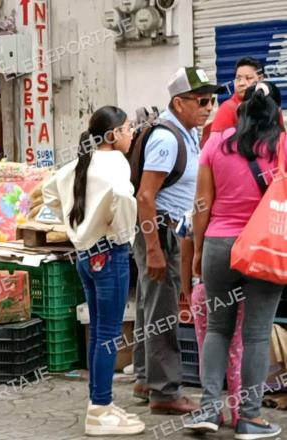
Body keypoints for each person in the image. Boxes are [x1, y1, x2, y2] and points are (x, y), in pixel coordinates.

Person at [184, 81, 285, 439]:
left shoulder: (215, 142)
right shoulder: (282, 146)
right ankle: (250, 418)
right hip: (264, 247)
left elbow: (201, 205)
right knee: (257, 335)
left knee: (217, 328)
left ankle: (209, 410)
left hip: (219, 245)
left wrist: (197, 250)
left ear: (239, 110)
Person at [42, 106, 144, 436]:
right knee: (107, 334)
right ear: (113, 136)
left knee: (101, 331)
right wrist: (121, 233)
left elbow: (48, 193)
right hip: (109, 253)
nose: (133, 133)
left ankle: (99, 403)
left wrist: (77, 226)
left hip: (86, 255)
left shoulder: (78, 164)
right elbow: (124, 201)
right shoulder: (115, 167)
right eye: (129, 128)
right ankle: (100, 410)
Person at [132, 67, 222, 414]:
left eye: (212, 100)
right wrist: (154, 249)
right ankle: (165, 393)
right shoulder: (168, 138)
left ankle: (145, 379)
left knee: (150, 308)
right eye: (201, 100)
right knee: (163, 314)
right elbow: (145, 196)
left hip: (163, 231)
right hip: (162, 233)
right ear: (178, 102)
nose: (208, 107)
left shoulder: (185, 132)